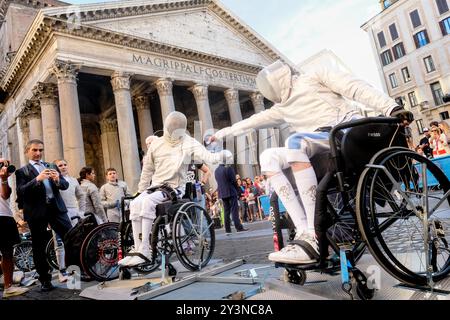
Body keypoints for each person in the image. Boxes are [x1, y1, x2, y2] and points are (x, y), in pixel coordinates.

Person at [211, 59, 413, 264]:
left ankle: (314, 232)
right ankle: (304, 230)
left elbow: (355, 87)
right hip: (315, 146)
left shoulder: (315, 75)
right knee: (268, 157)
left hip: (343, 134)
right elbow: (251, 122)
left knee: (295, 141)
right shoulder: (281, 107)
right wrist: (220, 134)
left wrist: (391, 108)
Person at [118, 111, 232, 267]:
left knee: (147, 203)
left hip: (174, 188)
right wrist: (141, 190)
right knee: (135, 203)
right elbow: (147, 170)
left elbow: (208, 157)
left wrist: (222, 155)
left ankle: (145, 249)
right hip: (156, 186)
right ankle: (138, 248)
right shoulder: (157, 144)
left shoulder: (189, 142)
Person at [15, 140, 73, 291]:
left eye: (40, 150)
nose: (38, 153)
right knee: (39, 247)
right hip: (37, 213)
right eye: (34, 150)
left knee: (71, 238)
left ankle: (76, 272)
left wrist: (58, 179)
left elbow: (65, 186)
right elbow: (21, 191)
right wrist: (37, 180)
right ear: (27, 151)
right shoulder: (22, 171)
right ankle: (45, 280)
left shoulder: (51, 166)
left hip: (56, 209)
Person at [52, 159, 86, 283]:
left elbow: (81, 196)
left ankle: (76, 268)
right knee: (60, 243)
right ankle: (62, 270)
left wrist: (81, 212)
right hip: (59, 214)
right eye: (60, 165)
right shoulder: (53, 181)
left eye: (65, 164)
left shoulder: (73, 181)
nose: (63, 167)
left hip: (73, 213)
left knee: (75, 241)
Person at [0, 158, 29, 298]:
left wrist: (4, 179)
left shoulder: (3, 179)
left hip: (4, 217)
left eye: (5, 165)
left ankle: (8, 287)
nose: (4, 167)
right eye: (2, 165)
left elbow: (5, 195)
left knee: (7, 253)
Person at [214, 156, 248, 234]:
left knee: (226, 211)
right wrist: (237, 190)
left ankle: (227, 230)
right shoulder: (228, 168)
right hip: (231, 191)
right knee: (234, 210)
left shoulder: (216, 170)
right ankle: (238, 227)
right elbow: (233, 181)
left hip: (222, 193)